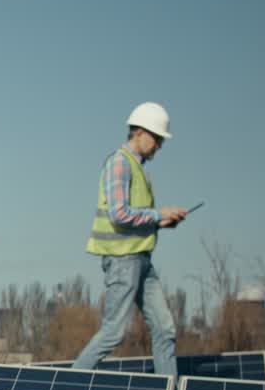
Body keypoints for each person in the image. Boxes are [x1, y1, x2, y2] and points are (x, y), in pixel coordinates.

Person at [72, 102, 188, 375]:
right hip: (123, 261)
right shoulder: (120, 163)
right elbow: (119, 214)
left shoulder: (138, 168)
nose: (159, 145)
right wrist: (159, 214)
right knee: (114, 332)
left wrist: (161, 223)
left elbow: (135, 219)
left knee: (164, 329)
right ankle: (65, 383)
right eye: (157, 138)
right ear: (139, 132)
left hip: (141, 258)